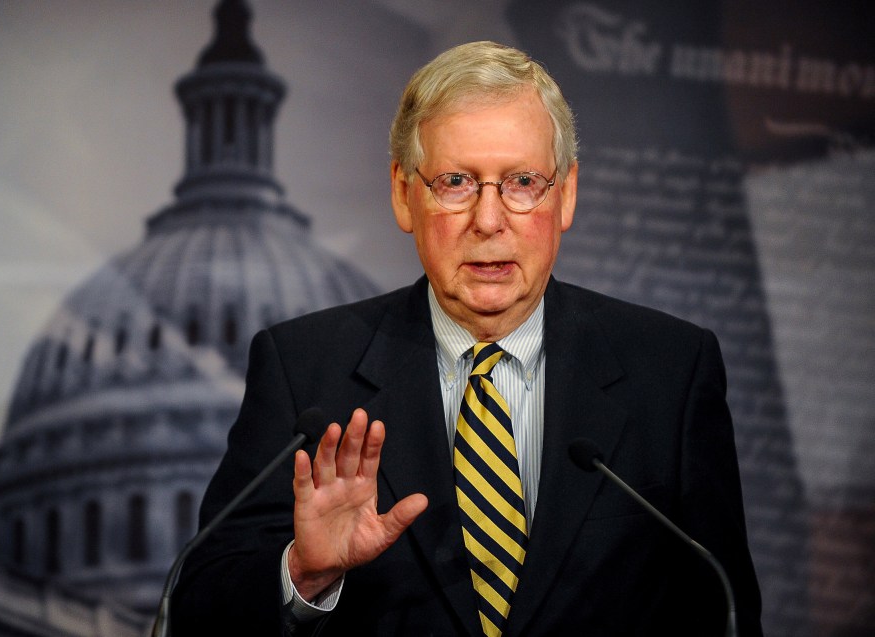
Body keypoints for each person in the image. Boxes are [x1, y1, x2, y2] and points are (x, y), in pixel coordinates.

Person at [172, 41, 762, 636]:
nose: (488, 219)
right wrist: (304, 573)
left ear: (567, 194)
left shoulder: (671, 372)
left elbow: (724, 610)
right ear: (405, 194)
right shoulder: (304, 370)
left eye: (522, 182)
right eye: (455, 182)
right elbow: (197, 610)